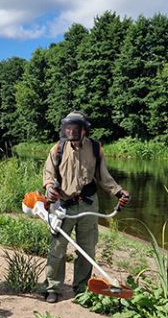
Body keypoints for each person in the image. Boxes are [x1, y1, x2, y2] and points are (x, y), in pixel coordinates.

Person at [42, 111, 130, 303]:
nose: (70, 132)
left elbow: (103, 177)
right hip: (63, 204)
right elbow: (48, 175)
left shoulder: (96, 148)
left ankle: (81, 286)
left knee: (87, 248)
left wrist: (118, 192)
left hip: (88, 203)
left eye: (74, 129)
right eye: (67, 128)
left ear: (84, 130)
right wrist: (49, 189)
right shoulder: (57, 149)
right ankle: (52, 287)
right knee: (57, 248)